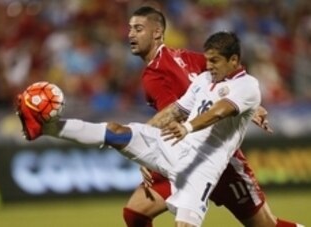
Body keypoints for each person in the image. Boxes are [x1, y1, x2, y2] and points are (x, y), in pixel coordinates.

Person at [16, 31, 303, 227]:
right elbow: (178, 109)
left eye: (215, 61)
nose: (209, 65)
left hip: (201, 169)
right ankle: (46, 128)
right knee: (117, 132)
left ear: (234, 61)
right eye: (208, 59)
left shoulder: (248, 86)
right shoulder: (203, 80)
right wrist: (149, 134)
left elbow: (221, 111)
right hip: (172, 148)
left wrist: (188, 127)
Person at [123, 6, 301, 227]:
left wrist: (144, 147)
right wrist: (252, 107)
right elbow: (228, 76)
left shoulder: (154, 75)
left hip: (210, 158)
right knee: (135, 213)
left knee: (265, 225)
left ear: (157, 32)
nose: (130, 34)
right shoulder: (187, 56)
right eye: (130, 28)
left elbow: (174, 116)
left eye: (138, 28)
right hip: (194, 154)